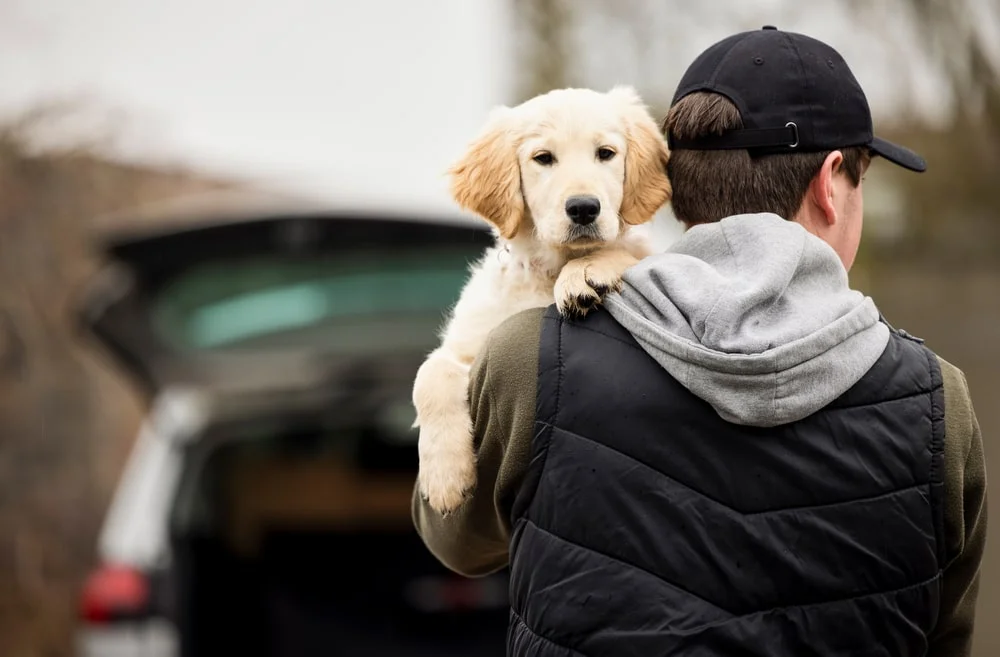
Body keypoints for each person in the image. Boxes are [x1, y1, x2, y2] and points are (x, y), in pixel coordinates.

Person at [412, 26, 987, 656]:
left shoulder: (529, 356)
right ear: (830, 183)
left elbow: (460, 542)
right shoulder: (937, 400)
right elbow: (946, 635)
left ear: (671, 186)